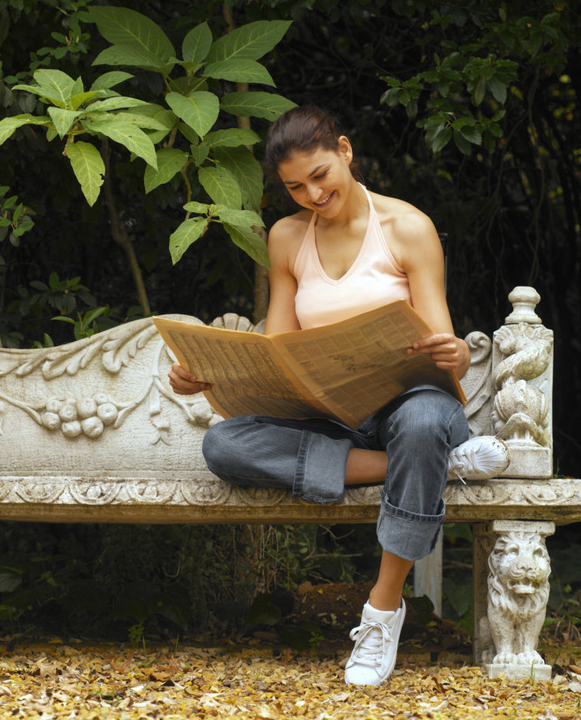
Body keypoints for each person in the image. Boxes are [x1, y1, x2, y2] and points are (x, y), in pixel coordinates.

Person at [168, 105, 509, 687]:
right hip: (334, 419)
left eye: (321, 175)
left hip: (414, 408)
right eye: (295, 187)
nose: (312, 194)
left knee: (423, 425)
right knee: (224, 443)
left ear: (346, 150)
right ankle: (439, 470)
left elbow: (437, 342)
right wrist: (210, 377)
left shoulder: (406, 228)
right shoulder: (286, 238)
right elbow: (278, 350)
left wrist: (452, 352)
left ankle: (381, 612)